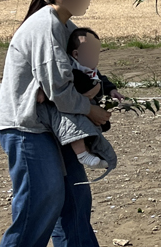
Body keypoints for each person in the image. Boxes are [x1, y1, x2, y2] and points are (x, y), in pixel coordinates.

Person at [0, 0, 127, 247]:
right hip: (25, 126)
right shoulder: (44, 27)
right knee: (41, 197)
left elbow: (82, 69)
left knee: (76, 192)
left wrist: (106, 87)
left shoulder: (66, 24)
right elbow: (59, 90)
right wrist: (92, 109)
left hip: (54, 123)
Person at [36, 26, 120, 172]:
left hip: (85, 105)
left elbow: (101, 79)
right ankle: (82, 154)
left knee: (91, 128)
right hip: (72, 107)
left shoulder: (89, 68)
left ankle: (95, 153)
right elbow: (54, 82)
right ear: (76, 54)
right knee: (74, 126)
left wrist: (111, 90)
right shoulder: (71, 68)